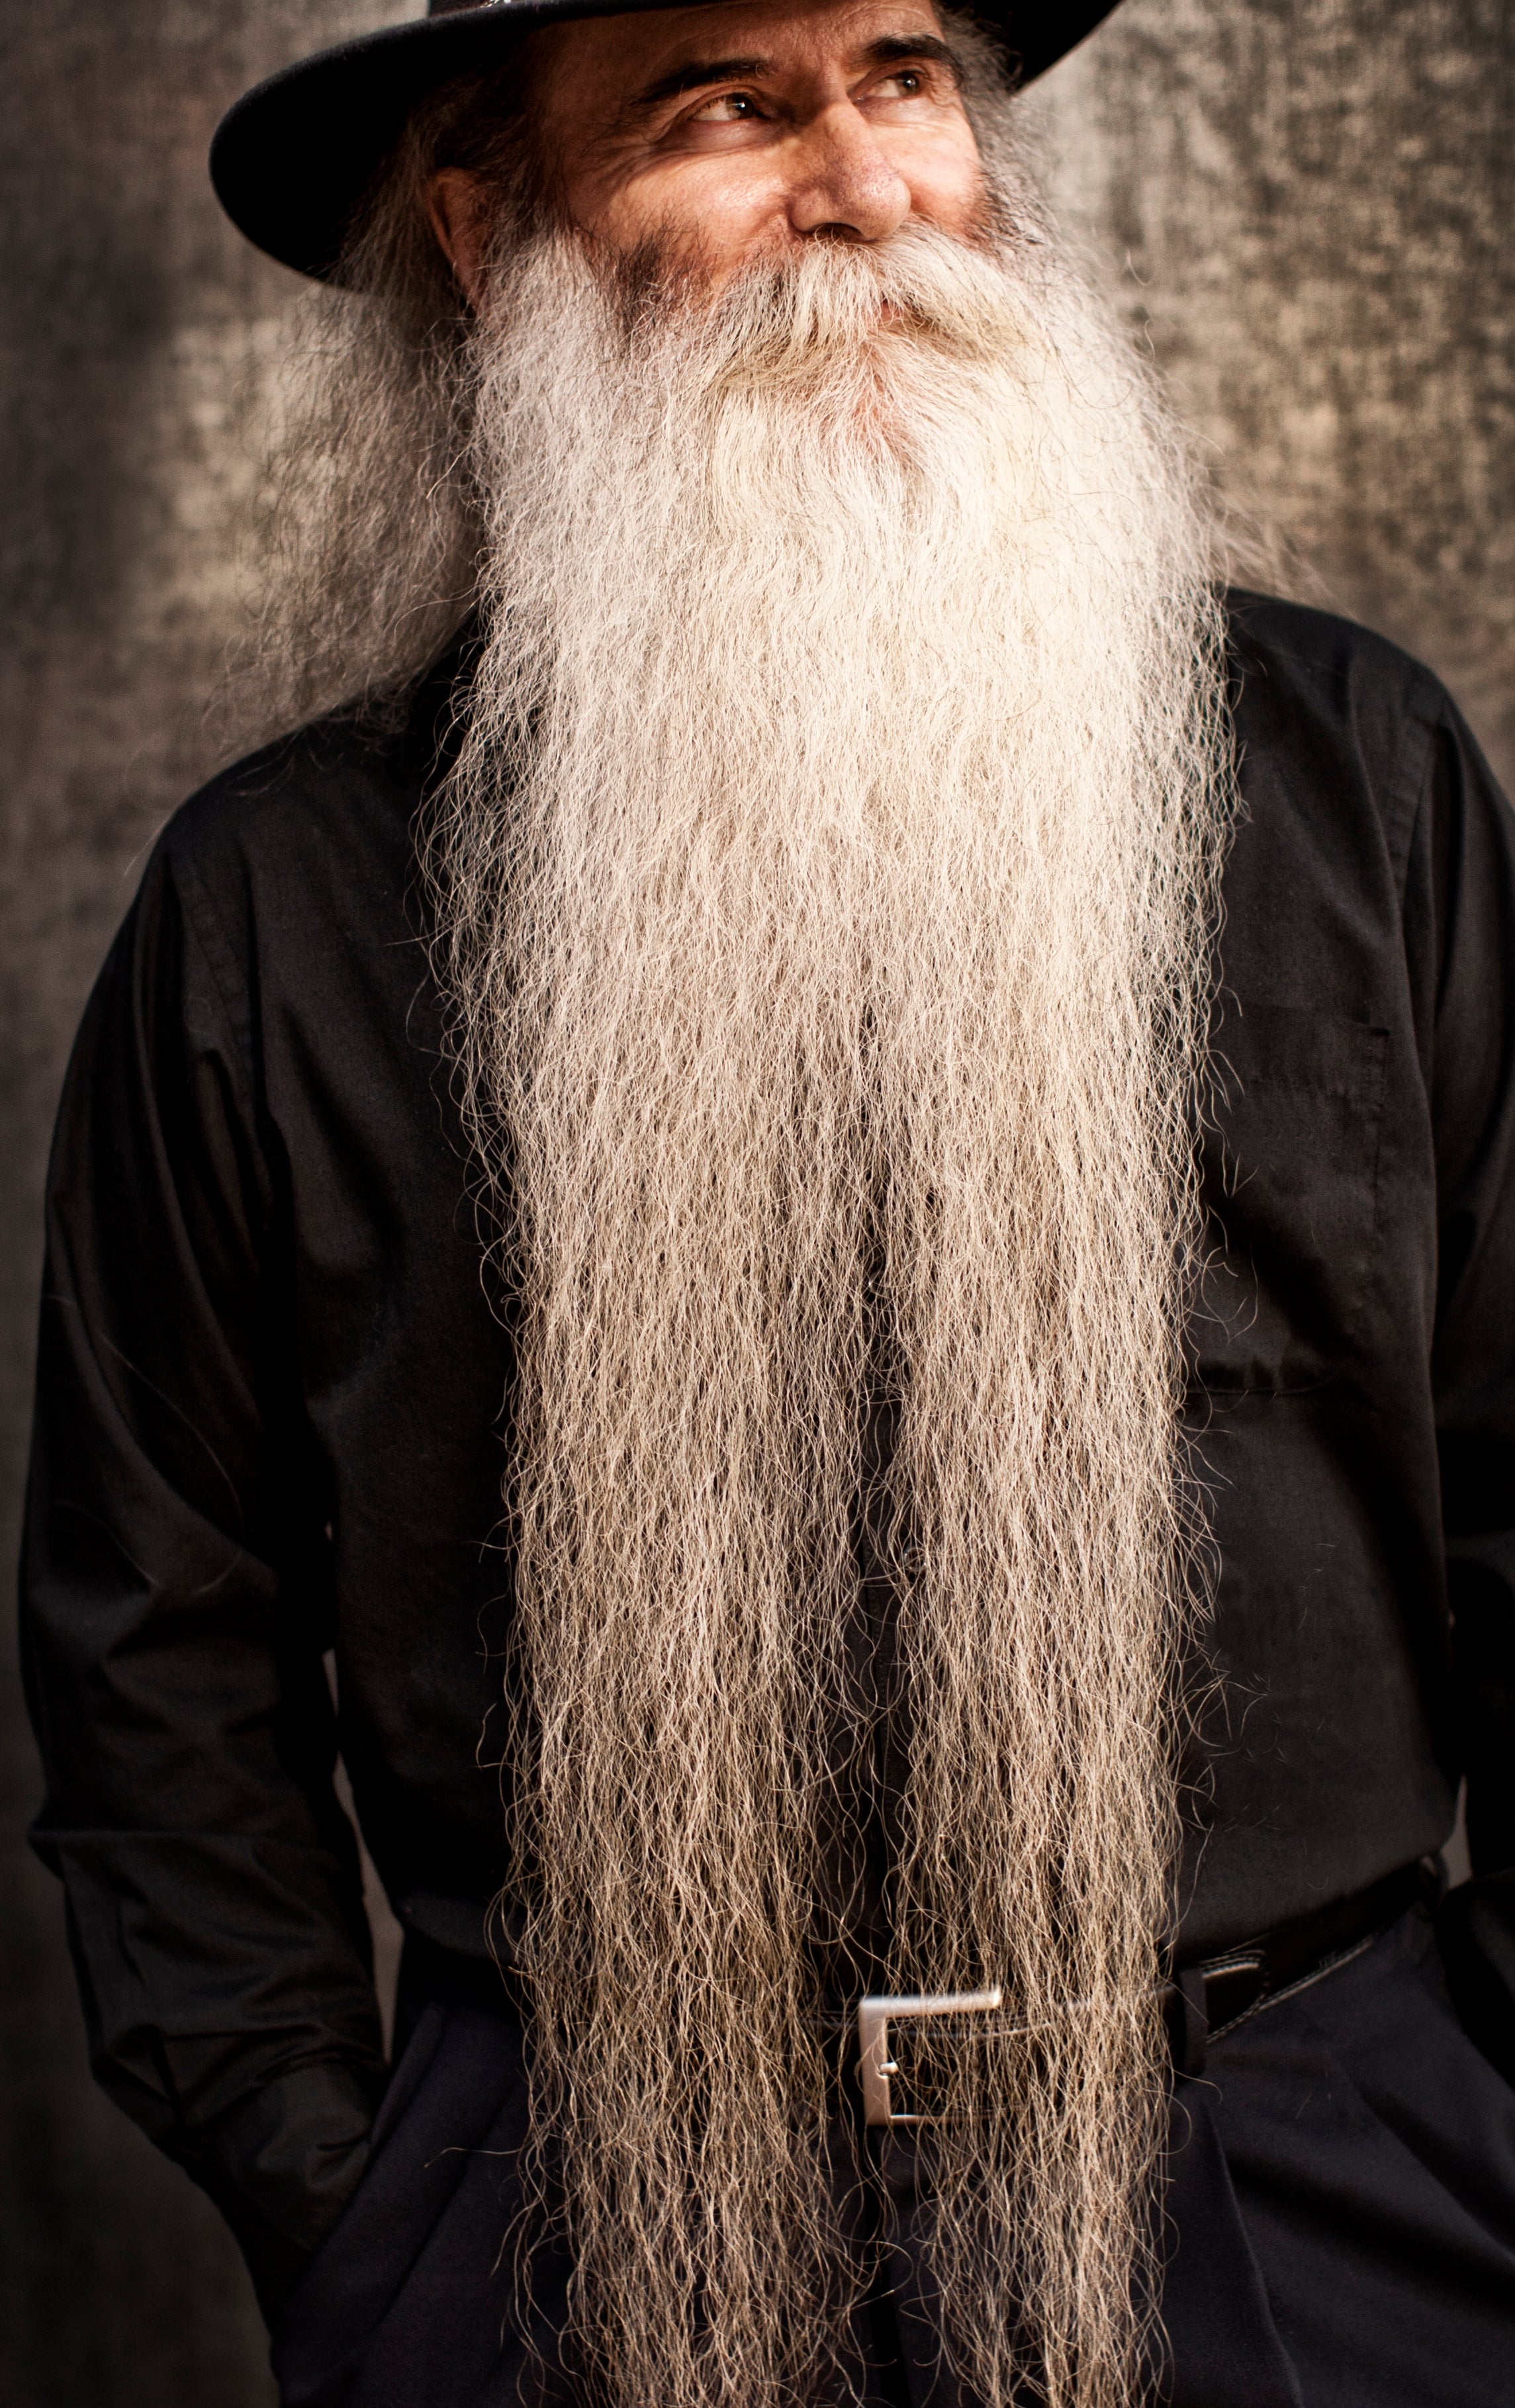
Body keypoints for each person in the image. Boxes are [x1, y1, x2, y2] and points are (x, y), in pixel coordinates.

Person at [19, 0, 1515, 2400]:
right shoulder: (272, 910)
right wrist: (355, 2217)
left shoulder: (1364, 788)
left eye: (903, 74)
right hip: (573, 2252)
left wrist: (1473, 2143)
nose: (863, 184)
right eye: (725, 104)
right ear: (497, 240)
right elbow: (154, 1673)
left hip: (1324, 2208)